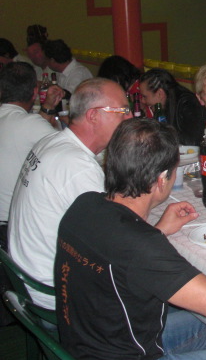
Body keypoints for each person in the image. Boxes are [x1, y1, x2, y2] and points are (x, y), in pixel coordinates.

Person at [54, 119, 206, 360]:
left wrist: (158, 231)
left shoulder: (84, 204)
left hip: (86, 346)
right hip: (128, 357)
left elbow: (121, 256)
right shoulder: (141, 246)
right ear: (161, 179)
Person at [8, 78, 131, 310]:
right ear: (93, 116)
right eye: (122, 111)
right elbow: (117, 248)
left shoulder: (52, 141)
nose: (130, 118)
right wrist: (161, 226)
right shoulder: (77, 166)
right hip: (57, 295)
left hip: (30, 278)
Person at [0, 62, 64, 248]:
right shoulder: (30, 124)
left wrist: (48, 107)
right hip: (12, 226)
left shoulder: (23, 123)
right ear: (34, 92)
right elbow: (68, 152)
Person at [139, 68, 206, 145]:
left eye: (144, 96)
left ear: (160, 94)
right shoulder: (166, 103)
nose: (143, 101)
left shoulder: (188, 104)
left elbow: (192, 141)